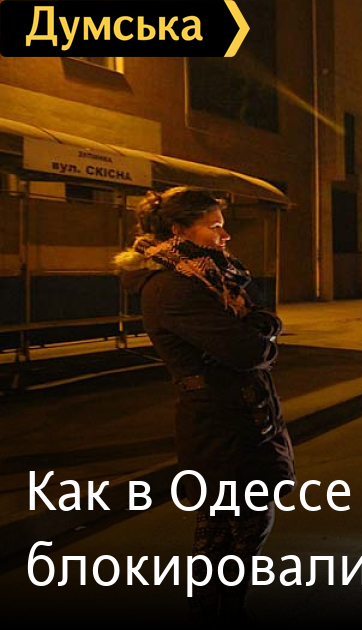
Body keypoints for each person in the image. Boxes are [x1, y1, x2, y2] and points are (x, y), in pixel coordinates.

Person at [114, 187, 294, 623]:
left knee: (227, 528)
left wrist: (259, 331)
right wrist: (263, 339)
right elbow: (246, 349)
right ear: (179, 231)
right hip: (219, 423)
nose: (224, 235)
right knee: (236, 528)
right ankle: (217, 610)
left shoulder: (214, 277)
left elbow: (261, 321)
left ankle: (220, 608)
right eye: (214, 227)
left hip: (242, 414)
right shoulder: (173, 288)